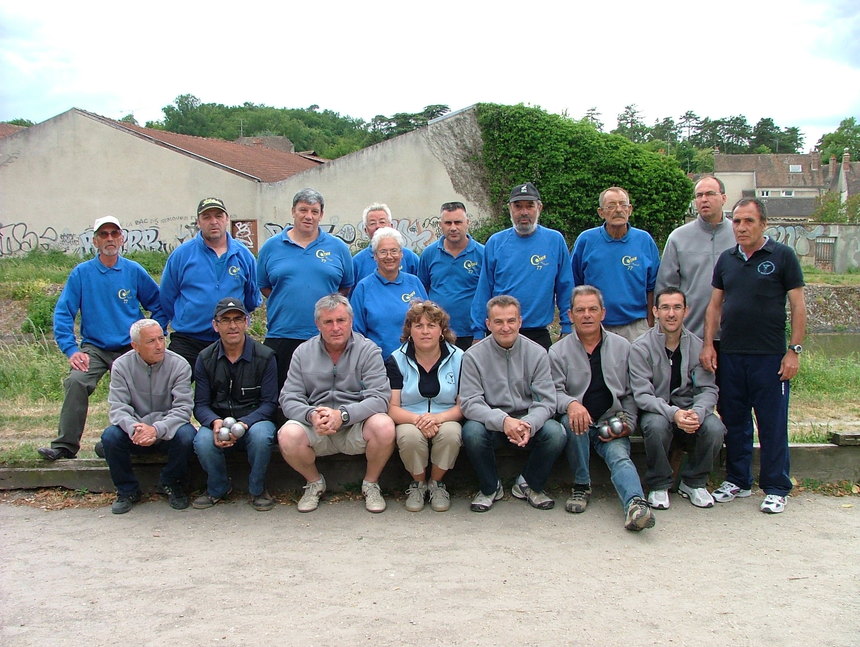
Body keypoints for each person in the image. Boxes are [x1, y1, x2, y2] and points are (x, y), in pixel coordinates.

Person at [701, 198, 806, 514]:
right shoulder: (726, 260)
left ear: (763, 224)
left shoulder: (782, 257)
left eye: (748, 221)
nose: (742, 227)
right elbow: (714, 306)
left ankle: (776, 487)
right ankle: (738, 480)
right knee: (734, 420)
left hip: (770, 357)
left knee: (772, 423)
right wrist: (708, 344)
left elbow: (798, 307)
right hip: (731, 354)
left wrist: (793, 351)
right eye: (737, 222)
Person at [38, 216, 165, 461]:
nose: (109, 238)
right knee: (76, 381)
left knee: (146, 388)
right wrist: (71, 349)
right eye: (103, 234)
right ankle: (65, 446)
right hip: (95, 347)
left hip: (131, 347)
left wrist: (153, 337)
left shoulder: (134, 271)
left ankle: (146, 443)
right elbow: (64, 312)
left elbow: (158, 305)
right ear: (95, 240)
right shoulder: (82, 273)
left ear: (122, 238)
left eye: (114, 233)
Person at [548, 286, 655, 532]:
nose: (587, 315)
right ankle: (581, 486)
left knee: (620, 457)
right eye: (580, 310)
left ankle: (635, 505)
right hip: (579, 423)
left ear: (603, 313)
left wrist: (628, 421)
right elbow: (552, 392)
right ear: (570, 315)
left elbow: (631, 391)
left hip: (611, 419)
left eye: (592, 309)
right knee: (571, 422)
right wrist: (572, 404)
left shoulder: (623, 347)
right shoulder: (557, 351)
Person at [278, 294, 396, 513]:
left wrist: (342, 415)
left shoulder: (368, 350)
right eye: (328, 322)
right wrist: (312, 415)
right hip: (317, 427)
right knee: (287, 434)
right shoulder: (303, 353)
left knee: (384, 425)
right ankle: (314, 483)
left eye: (341, 320)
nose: (335, 327)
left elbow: (380, 398)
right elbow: (289, 398)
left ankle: (370, 484)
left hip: (354, 426)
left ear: (351, 321)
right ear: (317, 324)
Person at [460, 295, 566, 512]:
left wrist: (528, 423)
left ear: (520, 321)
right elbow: (470, 402)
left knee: (556, 433)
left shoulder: (537, 353)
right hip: (493, 424)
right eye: (498, 322)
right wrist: (503, 421)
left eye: (511, 320)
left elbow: (546, 401)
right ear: (488, 324)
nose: (505, 327)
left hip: (528, 424)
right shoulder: (473, 356)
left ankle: (529, 484)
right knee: (471, 431)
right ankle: (490, 488)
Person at [629, 287, 725, 510]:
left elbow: (708, 390)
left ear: (686, 311)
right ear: (655, 311)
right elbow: (642, 395)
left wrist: (697, 413)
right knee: (655, 425)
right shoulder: (640, 347)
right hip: (658, 412)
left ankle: (694, 482)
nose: (671, 314)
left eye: (677, 308)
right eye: (665, 308)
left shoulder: (698, 346)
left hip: (690, 410)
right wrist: (674, 414)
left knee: (715, 428)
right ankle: (659, 484)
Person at [257, 188, 354, 390]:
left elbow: (345, 287)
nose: (308, 216)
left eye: (314, 211)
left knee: (327, 395)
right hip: (282, 333)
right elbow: (265, 286)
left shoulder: (338, 248)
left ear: (321, 215)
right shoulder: (271, 247)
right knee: (283, 398)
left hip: (326, 336)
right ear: (293, 211)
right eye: (303, 210)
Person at [100, 319, 196, 514]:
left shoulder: (179, 365)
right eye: (151, 341)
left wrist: (156, 429)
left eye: (161, 338)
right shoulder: (121, 366)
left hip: (167, 431)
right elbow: (118, 407)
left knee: (187, 435)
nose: (159, 346)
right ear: (135, 346)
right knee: (110, 437)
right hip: (136, 431)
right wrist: (135, 428)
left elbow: (183, 408)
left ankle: (171, 482)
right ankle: (127, 490)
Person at [192, 298, 278, 512]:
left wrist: (246, 423)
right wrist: (214, 422)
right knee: (202, 441)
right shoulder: (204, 358)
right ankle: (218, 488)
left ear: (246, 322)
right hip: (219, 420)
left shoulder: (265, 356)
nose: (232, 326)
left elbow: (270, 403)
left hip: (255, 420)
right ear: (215, 325)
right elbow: (200, 405)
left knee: (261, 437)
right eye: (226, 320)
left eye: (238, 319)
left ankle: (257, 490)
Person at [160, 197, 260, 370]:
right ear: (198, 222)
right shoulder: (182, 255)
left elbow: (251, 298)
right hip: (188, 339)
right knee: (172, 389)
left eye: (218, 216)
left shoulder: (244, 255)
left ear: (226, 219)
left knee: (233, 392)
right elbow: (167, 296)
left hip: (229, 339)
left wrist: (231, 321)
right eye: (207, 217)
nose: (213, 222)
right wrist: (188, 316)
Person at [470, 183, 573, 349]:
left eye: (529, 206)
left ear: (539, 207)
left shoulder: (555, 241)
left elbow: (565, 287)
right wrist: (478, 332)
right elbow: (484, 289)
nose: (524, 212)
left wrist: (567, 326)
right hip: (500, 332)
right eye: (518, 206)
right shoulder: (496, 242)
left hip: (537, 333)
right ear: (510, 209)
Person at [386, 301, 464, 512]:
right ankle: (418, 484)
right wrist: (417, 420)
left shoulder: (460, 358)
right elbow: (392, 408)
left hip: (446, 415)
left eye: (431, 325)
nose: (425, 331)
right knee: (408, 436)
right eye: (418, 325)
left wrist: (438, 418)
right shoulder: (396, 360)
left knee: (451, 434)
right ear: (409, 330)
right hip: (409, 416)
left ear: (442, 330)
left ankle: (436, 484)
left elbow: (463, 405)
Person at [570, 187, 660, 342]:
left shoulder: (644, 240)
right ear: (601, 212)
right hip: (595, 326)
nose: (618, 210)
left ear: (630, 209)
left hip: (636, 327)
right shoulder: (586, 240)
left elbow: (652, 287)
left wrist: (650, 323)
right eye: (611, 206)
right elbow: (573, 283)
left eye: (623, 205)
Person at [656, 176, 735, 340]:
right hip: (691, 333)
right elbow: (666, 287)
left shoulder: (739, 235)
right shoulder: (678, 237)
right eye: (699, 195)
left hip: (735, 334)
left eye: (710, 194)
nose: (704, 199)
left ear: (724, 198)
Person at [351, 227, 428, 357]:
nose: (389, 256)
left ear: (401, 254)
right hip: (377, 362)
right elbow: (356, 333)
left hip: (414, 360)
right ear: (375, 256)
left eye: (394, 251)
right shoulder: (363, 287)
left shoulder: (414, 283)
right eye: (383, 252)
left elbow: (429, 321)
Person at [418, 201, 484, 350]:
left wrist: (480, 333)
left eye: (458, 222)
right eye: (448, 223)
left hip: (472, 335)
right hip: (438, 333)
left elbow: (487, 295)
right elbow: (422, 293)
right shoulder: (429, 254)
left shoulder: (482, 254)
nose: (453, 227)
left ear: (467, 223)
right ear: (440, 225)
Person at [352, 203, 419, 287]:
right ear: (365, 230)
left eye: (382, 222)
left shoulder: (409, 257)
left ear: (391, 226)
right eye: (372, 223)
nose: (378, 226)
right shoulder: (357, 262)